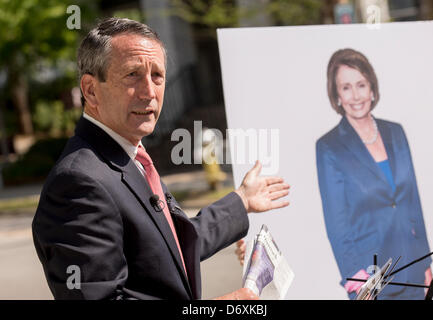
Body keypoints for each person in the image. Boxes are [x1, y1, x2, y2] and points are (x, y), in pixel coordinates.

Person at [32, 18, 290, 300]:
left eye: (158, 76)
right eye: (132, 74)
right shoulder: (78, 182)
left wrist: (241, 200)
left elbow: (169, 245)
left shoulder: (129, 158)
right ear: (91, 90)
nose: (149, 92)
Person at [315, 48, 432, 299]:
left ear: (372, 88)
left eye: (361, 85)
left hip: (413, 268)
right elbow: (337, 225)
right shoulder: (329, 147)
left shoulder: (396, 133)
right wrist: (358, 283)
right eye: (346, 87)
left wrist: (426, 262)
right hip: (372, 280)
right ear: (336, 95)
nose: (356, 96)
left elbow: (413, 203)